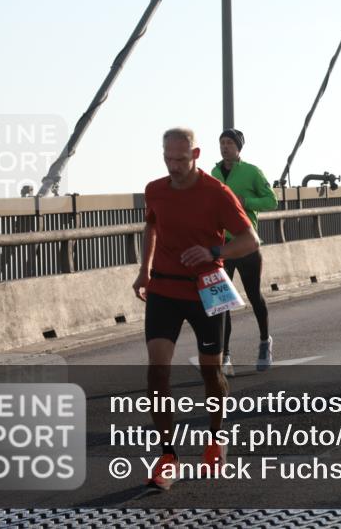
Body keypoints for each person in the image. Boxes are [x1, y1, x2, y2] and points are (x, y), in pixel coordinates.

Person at [133, 127, 261, 489]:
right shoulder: (155, 190)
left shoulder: (216, 194)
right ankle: (168, 456)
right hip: (164, 289)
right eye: (168, 158)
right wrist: (144, 271)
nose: (173, 166)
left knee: (210, 373)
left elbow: (250, 240)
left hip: (207, 290)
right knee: (157, 372)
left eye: (180, 159)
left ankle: (216, 439)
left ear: (196, 155)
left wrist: (214, 252)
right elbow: (151, 227)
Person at [210, 129, 278, 374]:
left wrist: (246, 202)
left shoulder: (251, 172)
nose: (224, 147)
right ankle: (225, 356)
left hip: (247, 243)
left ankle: (264, 342)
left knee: (253, 295)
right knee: (222, 303)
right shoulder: (214, 173)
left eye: (229, 143)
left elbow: (272, 201)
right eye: (222, 143)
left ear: (238, 147)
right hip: (223, 246)